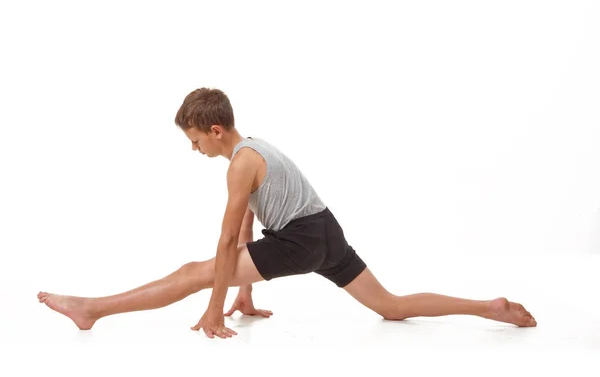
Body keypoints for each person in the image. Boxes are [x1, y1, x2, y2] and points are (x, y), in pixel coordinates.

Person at [37, 88, 537, 339]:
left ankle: (92, 309)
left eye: (193, 141)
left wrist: (214, 305)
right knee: (392, 306)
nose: (192, 150)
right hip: (324, 231)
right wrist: (246, 293)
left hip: (299, 238)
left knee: (195, 273)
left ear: (214, 130)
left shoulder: (240, 165)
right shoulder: (255, 151)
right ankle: (488, 308)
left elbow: (227, 238)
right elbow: (252, 231)